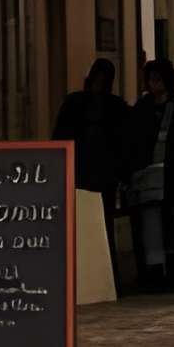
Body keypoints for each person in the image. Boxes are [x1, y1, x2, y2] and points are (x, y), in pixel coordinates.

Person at [127, 58, 174, 292]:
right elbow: (131, 143)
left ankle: (172, 274)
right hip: (148, 181)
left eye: (158, 79)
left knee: (173, 227)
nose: (154, 84)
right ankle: (154, 276)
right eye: (151, 79)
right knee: (150, 227)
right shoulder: (142, 108)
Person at [53, 59, 132, 264]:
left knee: (85, 228)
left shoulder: (74, 103)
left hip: (83, 175)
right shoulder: (115, 107)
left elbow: (60, 139)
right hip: (99, 178)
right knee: (102, 228)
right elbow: (124, 145)